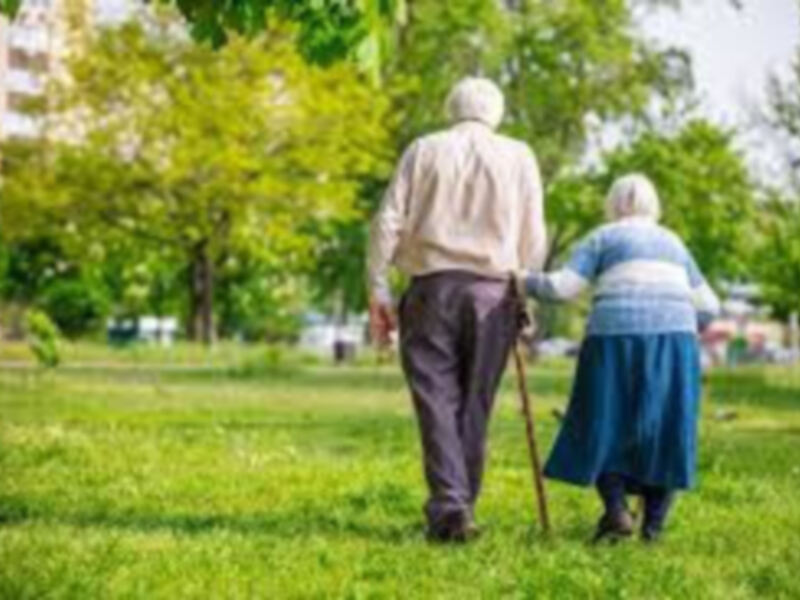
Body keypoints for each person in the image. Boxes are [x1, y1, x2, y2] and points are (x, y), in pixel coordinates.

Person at [367, 77, 546, 542]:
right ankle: (457, 505)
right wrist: (524, 288)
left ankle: (451, 506)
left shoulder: (423, 149)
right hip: (494, 293)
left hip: (432, 290)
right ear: (498, 113)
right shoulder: (519, 155)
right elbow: (534, 235)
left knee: (436, 401)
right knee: (475, 403)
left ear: (451, 108)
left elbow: (388, 221)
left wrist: (379, 289)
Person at [523, 174, 720, 543]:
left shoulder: (603, 237)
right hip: (674, 342)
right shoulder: (673, 242)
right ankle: (653, 530)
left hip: (612, 340)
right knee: (666, 428)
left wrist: (519, 279)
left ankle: (616, 511)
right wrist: (686, 328)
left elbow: (562, 288)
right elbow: (710, 305)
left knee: (602, 420)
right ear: (654, 206)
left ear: (612, 204)